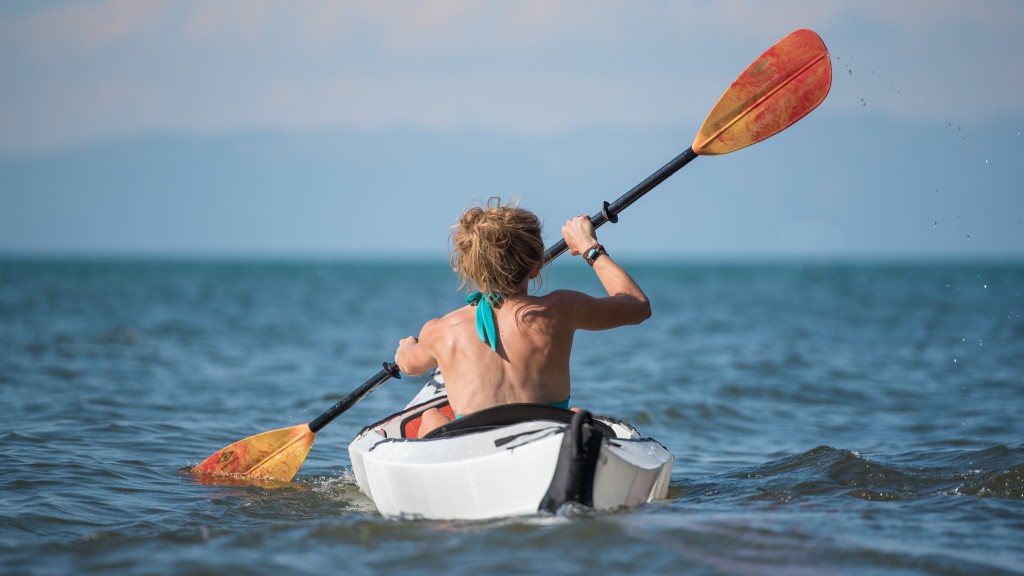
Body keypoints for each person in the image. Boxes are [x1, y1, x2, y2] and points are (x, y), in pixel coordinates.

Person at [394, 197, 651, 437]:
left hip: (469, 443)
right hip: (546, 437)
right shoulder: (561, 309)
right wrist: (589, 247)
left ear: (469, 266)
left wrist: (407, 347)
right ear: (536, 267)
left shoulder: (441, 331)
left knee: (431, 416)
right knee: (575, 416)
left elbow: (409, 365)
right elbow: (638, 306)